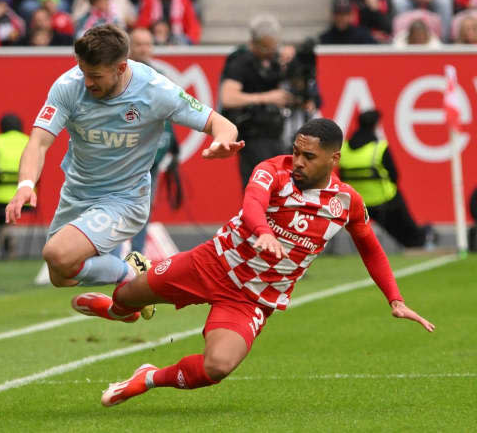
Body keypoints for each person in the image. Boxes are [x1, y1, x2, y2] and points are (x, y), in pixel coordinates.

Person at [71, 118, 436, 407]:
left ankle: (148, 376)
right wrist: (261, 230)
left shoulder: (346, 202)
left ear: (333, 159)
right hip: (211, 263)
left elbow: (370, 247)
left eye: (309, 157)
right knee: (126, 295)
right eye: (296, 152)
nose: (298, 162)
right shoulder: (272, 170)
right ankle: (125, 311)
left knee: (216, 368)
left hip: (253, 298)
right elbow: (252, 204)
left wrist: (395, 299)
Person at [5, 24, 241, 317]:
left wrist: (221, 141)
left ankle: (131, 277)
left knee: (56, 253)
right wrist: (25, 184)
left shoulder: (155, 89)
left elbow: (222, 124)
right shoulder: (68, 86)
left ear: (121, 67)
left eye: (95, 76)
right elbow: (38, 142)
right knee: (60, 274)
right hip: (77, 192)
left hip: (125, 197)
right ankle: (125, 295)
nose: (87, 82)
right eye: (83, 71)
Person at [339, 110, 435, 248]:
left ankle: (416, 238)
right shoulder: (379, 148)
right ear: (375, 125)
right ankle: (419, 239)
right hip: (383, 202)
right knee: (402, 218)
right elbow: (395, 176)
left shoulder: (344, 149)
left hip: (357, 203)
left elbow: (341, 177)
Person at [220, 14, 294, 189]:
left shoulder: (276, 62)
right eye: (267, 47)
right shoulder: (241, 63)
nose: (271, 51)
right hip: (253, 136)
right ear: (255, 43)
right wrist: (267, 98)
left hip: (278, 134)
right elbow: (228, 97)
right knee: (259, 188)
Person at [126, 27, 180, 254]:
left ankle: (135, 256)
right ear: (128, 47)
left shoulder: (158, 77)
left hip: (151, 154)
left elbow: (168, 113)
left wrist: (173, 145)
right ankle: (106, 255)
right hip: (121, 153)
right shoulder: (120, 76)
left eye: (148, 44)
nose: (144, 49)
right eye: (139, 44)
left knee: (143, 206)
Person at [134, 0, 202, 45]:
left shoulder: (185, 1)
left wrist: (188, 40)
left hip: (178, 38)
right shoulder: (148, 1)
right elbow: (142, 25)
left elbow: (193, 27)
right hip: (154, 38)